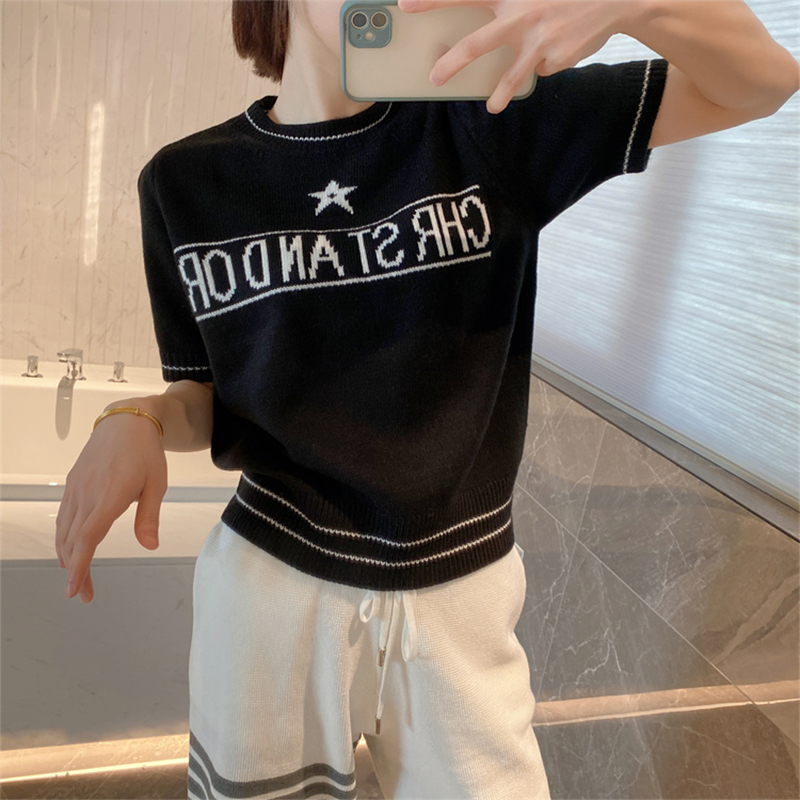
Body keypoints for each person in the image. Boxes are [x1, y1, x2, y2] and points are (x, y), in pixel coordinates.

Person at [56, 0, 798, 798]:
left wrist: (631, 3)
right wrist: (136, 417)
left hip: (462, 593)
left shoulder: (491, 127)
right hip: (272, 586)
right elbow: (200, 395)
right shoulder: (185, 182)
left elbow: (763, 82)